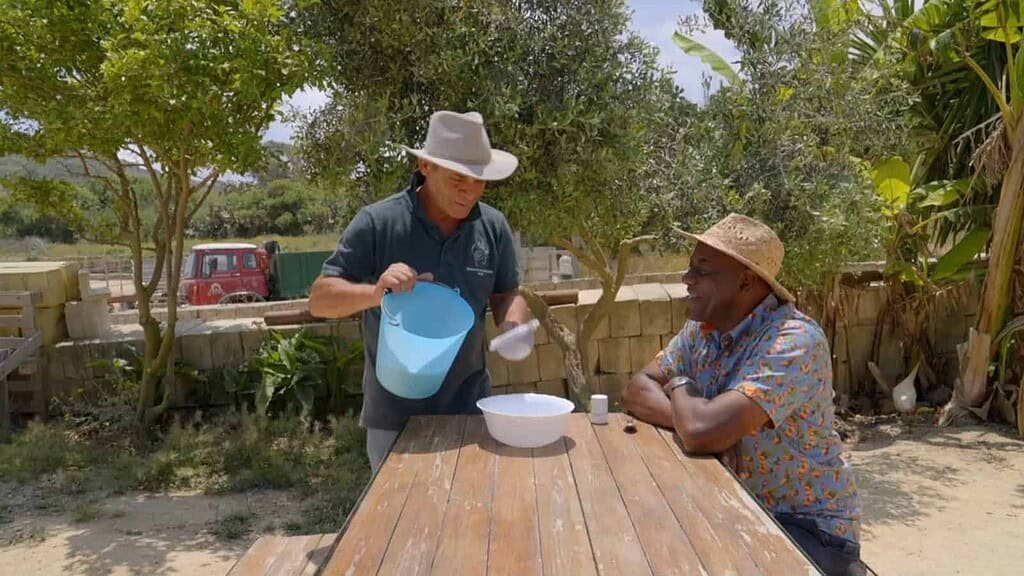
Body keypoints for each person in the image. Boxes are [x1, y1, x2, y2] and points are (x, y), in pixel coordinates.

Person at [621, 214, 862, 576]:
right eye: (690, 268)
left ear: (746, 280)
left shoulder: (792, 341)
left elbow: (701, 432)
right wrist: (691, 420)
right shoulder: (702, 329)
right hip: (737, 509)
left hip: (807, 529)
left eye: (703, 270)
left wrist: (680, 387)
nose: (687, 279)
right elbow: (637, 388)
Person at [309, 111, 530, 473]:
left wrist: (512, 323)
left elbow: (507, 292)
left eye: (479, 181)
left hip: (471, 412)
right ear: (425, 165)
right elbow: (319, 299)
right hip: (394, 420)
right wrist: (376, 292)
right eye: (459, 178)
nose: (469, 191)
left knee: (472, 521)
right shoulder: (378, 222)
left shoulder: (492, 226)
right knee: (400, 525)